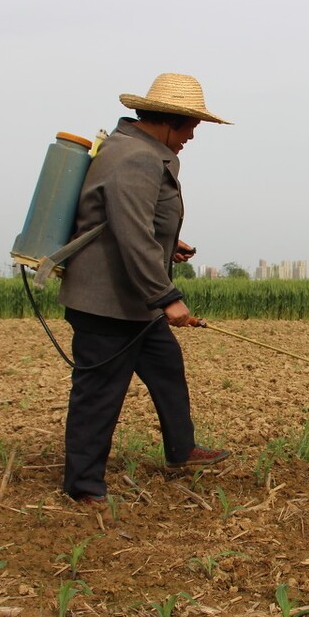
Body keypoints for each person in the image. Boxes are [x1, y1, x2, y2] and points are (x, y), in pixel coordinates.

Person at [58, 72, 231, 505]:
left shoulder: (136, 150)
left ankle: (182, 449)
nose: (193, 134)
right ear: (170, 120)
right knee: (99, 395)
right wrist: (167, 297)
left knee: (166, 365)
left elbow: (127, 221)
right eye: (192, 125)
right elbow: (131, 235)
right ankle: (84, 488)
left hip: (131, 301)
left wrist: (171, 244)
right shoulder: (135, 157)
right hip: (108, 303)